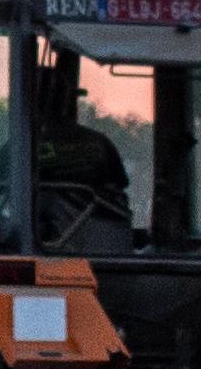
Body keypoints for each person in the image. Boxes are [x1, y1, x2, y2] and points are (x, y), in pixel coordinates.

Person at [30, 62, 138, 252]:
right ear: (66, 101)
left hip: (48, 249)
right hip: (106, 248)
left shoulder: (21, 148)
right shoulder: (100, 144)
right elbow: (119, 185)